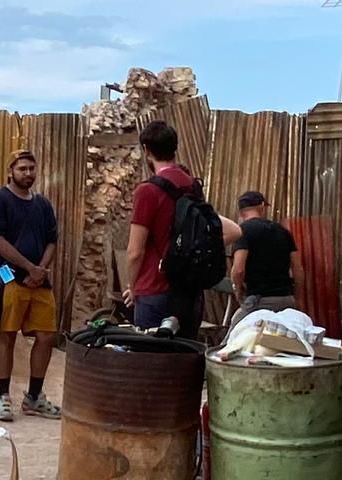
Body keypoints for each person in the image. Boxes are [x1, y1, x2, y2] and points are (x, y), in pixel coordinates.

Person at [123, 121, 241, 338]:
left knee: (150, 365)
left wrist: (133, 286)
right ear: (175, 148)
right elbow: (227, 230)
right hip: (189, 293)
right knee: (184, 364)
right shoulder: (192, 185)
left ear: (146, 150)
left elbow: (134, 252)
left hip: (154, 290)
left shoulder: (147, 191)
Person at [0, 149, 60, 422]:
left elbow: (52, 239)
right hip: (6, 274)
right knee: (8, 334)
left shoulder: (43, 205)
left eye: (31, 168)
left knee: (47, 335)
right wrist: (29, 267)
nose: (28, 173)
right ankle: (3, 397)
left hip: (39, 279)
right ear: (10, 172)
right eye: (22, 168)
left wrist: (40, 271)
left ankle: (34, 397)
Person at [225, 191, 304, 337]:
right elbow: (298, 270)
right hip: (286, 300)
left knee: (230, 344)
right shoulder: (283, 232)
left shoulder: (241, 231)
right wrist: (296, 299)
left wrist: (238, 290)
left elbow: (238, 270)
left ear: (240, 211)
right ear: (262, 206)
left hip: (258, 302)